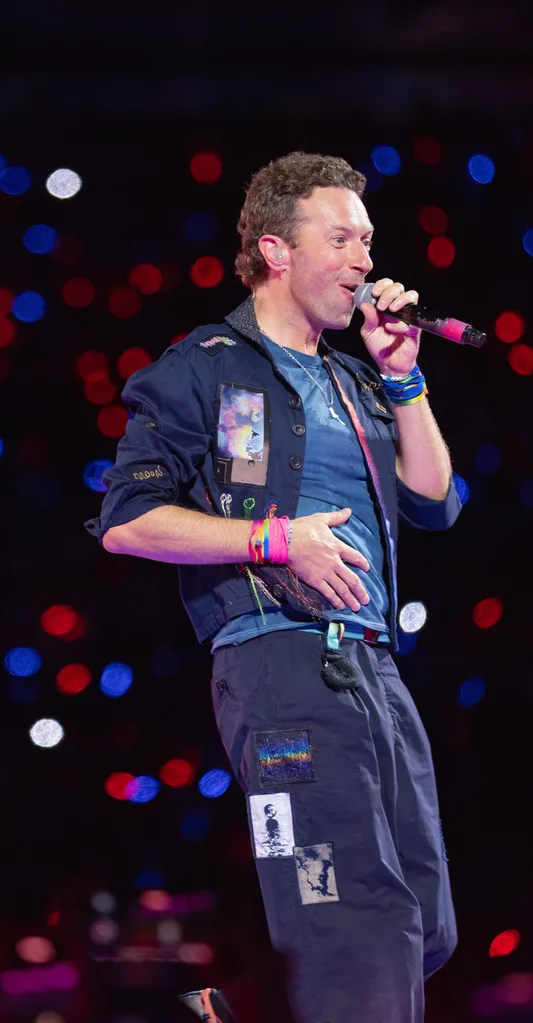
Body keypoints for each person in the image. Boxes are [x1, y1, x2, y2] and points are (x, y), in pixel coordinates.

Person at [85, 152, 463, 1023]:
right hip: (275, 665)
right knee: (354, 921)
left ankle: (222, 1009)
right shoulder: (206, 366)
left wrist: (403, 374)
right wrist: (272, 538)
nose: (368, 260)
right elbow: (126, 520)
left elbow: (436, 499)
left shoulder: (356, 377)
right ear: (276, 250)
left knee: (423, 919)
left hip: (372, 665)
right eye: (343, 239)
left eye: (368, 239)